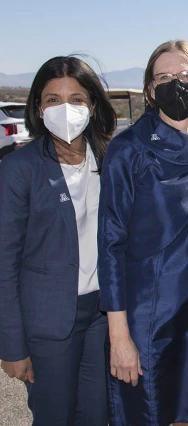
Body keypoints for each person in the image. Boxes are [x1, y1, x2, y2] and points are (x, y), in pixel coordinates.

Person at [97, 39, 188, 426]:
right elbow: (110, 244)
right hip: (147, 315)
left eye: (184, 74)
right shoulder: (126, 149)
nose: (175, 83)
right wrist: (119, 335)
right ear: (150, 89)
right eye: (163, 77)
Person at [0, 55, 116, 426]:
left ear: (92, 105)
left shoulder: (110, 160)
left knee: (98, 415)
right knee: (55, 416)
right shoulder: (20, 168)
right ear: (38, 107)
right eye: (53, 99)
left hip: (102, 317)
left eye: (77, 99)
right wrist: (11, 346)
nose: (65, 109)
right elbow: (3, 262)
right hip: (48, 324)